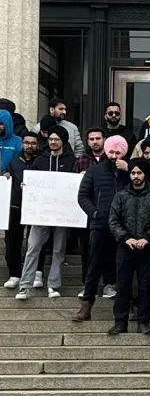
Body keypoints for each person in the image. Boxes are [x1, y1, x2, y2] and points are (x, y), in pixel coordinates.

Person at [15, 125, 77, 300]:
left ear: (63, 141)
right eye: (50, 139)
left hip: (62, 214)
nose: (53, 142)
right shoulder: (40, 160)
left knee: (58, 249)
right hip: (40, 213)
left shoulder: (72, 161)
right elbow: (32, 182)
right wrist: (26, 186)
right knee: (32, 247)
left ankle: (54, 285)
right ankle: (25, 286)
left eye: (56, 139)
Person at [107, 158, 150, 335]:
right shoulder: (121, 195)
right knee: (123, 286)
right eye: (133, 173)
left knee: (146, 286)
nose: (136, 176)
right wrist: (126, 238)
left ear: (145, 174)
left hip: (147, 248)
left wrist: (147, 238)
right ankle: (120, 322)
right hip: (125, 248)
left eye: (139, 172)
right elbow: (113, 220)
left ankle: (144, 321)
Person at [73, 135, 130, 320]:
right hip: (100, 224)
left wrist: (128, 171)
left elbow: (140, 189)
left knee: (124, 265)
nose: (114, 156)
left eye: (118, 152)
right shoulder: (94, 171)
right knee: (94, 265)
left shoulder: (130, 171)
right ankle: (86, 304)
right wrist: (95, 213)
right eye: (111, 151)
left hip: (124, 226)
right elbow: (83, 196)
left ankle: (126, 306)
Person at [3, 130, 38, 289]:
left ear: (37, 145)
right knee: (13, 241)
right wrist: (6, 175)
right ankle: (14, 274)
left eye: (33, 143)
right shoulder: (14, 161)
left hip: (36, 207)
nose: (29, 146)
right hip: (15, 206)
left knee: (35, 242)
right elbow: (7, 175)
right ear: (22, 144)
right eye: (27, 142)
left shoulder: (41, 161)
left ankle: (35, 273)